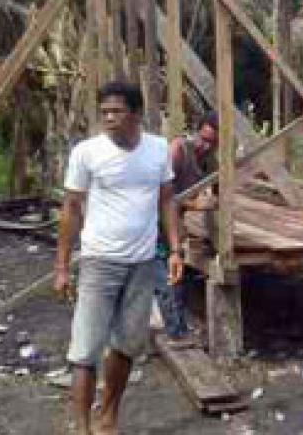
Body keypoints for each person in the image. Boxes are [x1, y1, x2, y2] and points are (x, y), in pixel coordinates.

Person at [54, 81, 183, 435]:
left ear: (136, 114)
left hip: (142, 264)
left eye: (117, 111)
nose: (109, 118)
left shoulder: (157, 150)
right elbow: (71, 209)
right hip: (98, 263)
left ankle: (107, 418)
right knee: (85, 350)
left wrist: (175, 249)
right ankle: (81, 428)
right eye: (105, 112)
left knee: (127, 345)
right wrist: (63, 266)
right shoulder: (87, 153)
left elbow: (167, 200)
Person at [154, 111, 219, 344]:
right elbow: (161, 195)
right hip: (154, 219)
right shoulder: (178, 149)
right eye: (203, 139)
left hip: (173, 219)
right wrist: (195, 204)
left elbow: (219, 190)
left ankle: (176, 325)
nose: (205, 146)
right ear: (196, 132)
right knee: (166, 276)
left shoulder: (211, 160)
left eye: (211, 143)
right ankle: (177, 332)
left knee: (175, 273)